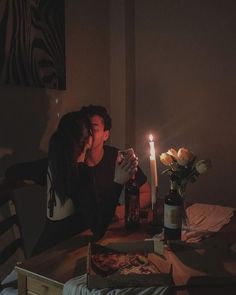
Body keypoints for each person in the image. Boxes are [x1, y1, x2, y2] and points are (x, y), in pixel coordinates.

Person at [3, 109, 140, 255]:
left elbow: (12, 171)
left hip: (41, 250)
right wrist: (118, 181)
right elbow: (99, 228)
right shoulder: (80, 173)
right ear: (88, 140)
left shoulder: (51, 164)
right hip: (58, 258)